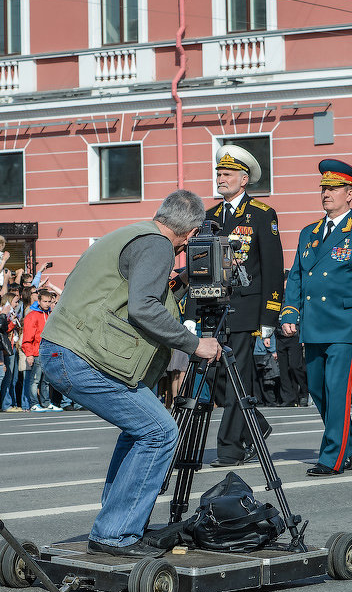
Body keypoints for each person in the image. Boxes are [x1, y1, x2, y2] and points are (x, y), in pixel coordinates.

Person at [40, 190, 222, 556]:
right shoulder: (158, 247)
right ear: (191, 232)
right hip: (82, 356)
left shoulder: (132, 234)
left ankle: (117, 522)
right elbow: (143, 308)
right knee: (160, 432)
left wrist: (181, 280)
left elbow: (126, 291)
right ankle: (115, 532)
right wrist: (194, 344)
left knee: (141, 428)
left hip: (66, 349)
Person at [279, 159, 352, 476]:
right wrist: (290, 310)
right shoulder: (308, 232)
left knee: (336, 390)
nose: (327, 193)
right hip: (313, 322)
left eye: (334, 188)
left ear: (349, 193)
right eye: (324, 187)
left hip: (344, 322)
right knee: (317, 389)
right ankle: (350, 444)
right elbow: (297, 276)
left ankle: (333, 457)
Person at [205, 144, 284, 466]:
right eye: (218, 174)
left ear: (244, 178)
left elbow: (272, 267)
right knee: (217, 377)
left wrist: (269, 316)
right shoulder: (208, 217)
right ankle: (257, 426)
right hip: (213, 309)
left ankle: (230, 447)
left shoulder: (262, 215)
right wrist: (192, 315)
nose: (220, 179)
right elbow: (202, 269)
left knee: (236, 374)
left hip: (246, 310)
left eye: (226, 174)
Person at [22, 289, 57, 412]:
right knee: (35, 380)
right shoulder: (32, 315)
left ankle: (46, 403)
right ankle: (34, 403)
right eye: (45, 301)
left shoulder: (49, 315)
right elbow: (27, 337)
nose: (47, 304)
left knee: (46, 381)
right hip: (37, 353)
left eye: (49, 301)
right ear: (39, 301)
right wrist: (29, 354)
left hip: (48, 353)